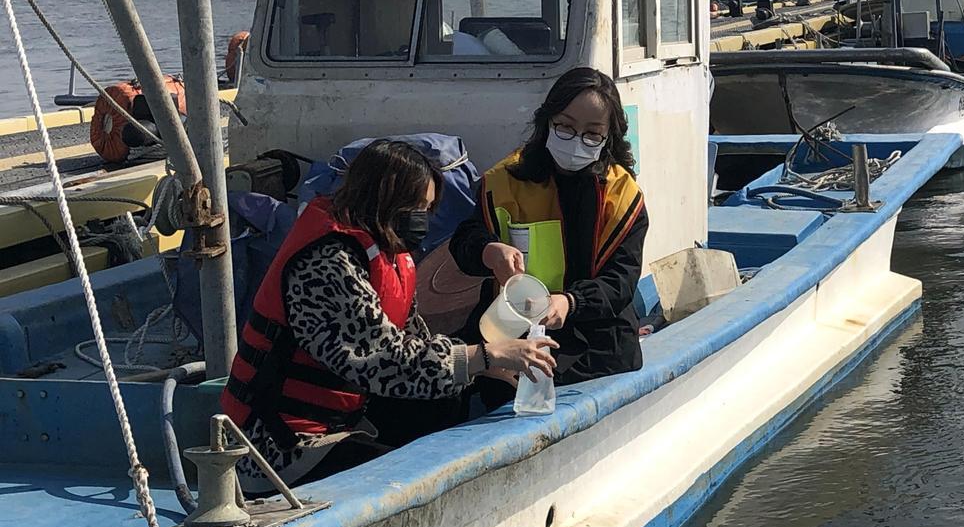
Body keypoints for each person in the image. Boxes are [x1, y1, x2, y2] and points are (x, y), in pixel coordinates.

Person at [221, 139, 557, 489]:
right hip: (275, 445)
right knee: (411, 480)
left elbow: (412, 343)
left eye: (428, 210)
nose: (422, 221)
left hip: (339, 423)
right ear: (383, 199)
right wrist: (482, 356)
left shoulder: (389, 256)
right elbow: (381, 359)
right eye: (415, 208)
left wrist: (481, 367)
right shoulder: (328, 262)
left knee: (445, 401)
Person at [450, 67, 647, 406]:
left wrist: (571, 302)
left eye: (592, 133)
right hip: (514, 322)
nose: (576, 139)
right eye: (565, 127)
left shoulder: (623, 196)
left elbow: (621, 281)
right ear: (547, 121)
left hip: (596, 334)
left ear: (609, 137)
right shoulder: (503, 181)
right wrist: (488, 250)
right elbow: (464, 240)